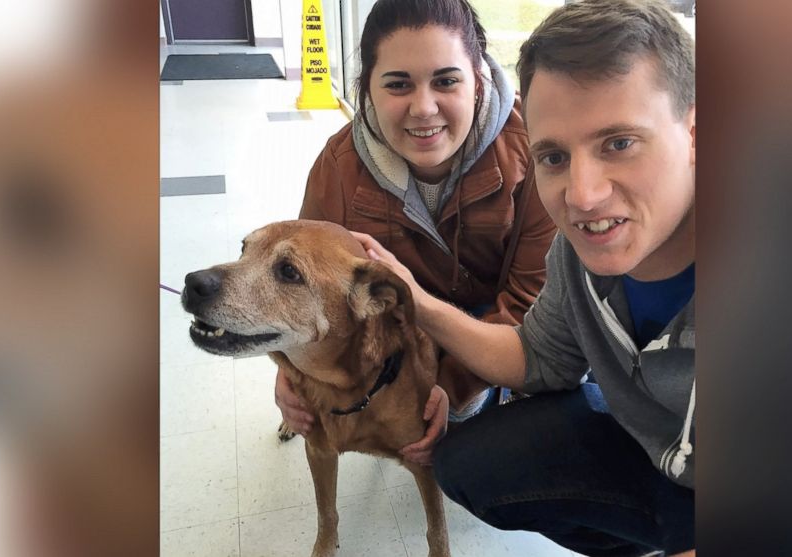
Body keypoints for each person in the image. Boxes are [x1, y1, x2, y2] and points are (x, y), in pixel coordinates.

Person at [352, 0, 697, 554]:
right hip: (663, 452)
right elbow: (540, 359)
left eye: (619, 143)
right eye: (554, 156)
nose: (583, 196)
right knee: (471, 464)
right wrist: (416, 301)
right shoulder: (576, 253)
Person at [275, 0, 556, 439]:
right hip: (394, 326)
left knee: (468, 449)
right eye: (398, 84)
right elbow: (300, 286)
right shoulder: (337, 166)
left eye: (446, 81)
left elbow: (532, 299)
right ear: (366, 88)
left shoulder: (536, 151)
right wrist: (290, 372)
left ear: (478, 81)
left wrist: (451, 388)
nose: (424, 108)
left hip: (493, 320)